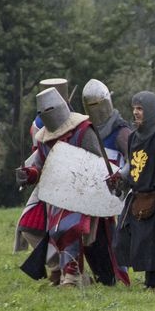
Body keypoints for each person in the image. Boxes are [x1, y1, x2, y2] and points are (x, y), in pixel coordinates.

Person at [16, 88, 102, 287]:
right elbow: (39, 165)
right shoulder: (44, 138)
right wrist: (29, 174)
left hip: (81, 192)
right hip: (53, 194)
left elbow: (97, 164)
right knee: (30, 226)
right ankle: (57, 268)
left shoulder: (83, 130)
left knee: (68, 227)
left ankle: (72, 276)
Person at [109, 91, 155, 290]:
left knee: (152, 243)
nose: (135, 112)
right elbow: (133, 165)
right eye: (134, 108)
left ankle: (152, 284)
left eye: (140, 108)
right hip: (138, 195)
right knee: (122, 239)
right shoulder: (134, 137)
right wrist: (120, 177)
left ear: (150, 110)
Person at [80, 78, 132, 286]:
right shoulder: (85, 131)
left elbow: (134, 160)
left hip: (118, 194)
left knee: (115, 239)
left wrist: (121, 176)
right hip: (93, 195)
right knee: (92, 238)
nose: (97, 110)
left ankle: (120, 275)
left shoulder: (121, 131)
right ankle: (102, 276)